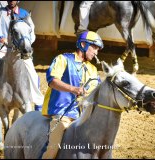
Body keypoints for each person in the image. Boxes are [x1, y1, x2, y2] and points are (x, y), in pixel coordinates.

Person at [41, 31, 103, 159]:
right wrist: (73, 89)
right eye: (94, 47)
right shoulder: (62, 59)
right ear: (83, 44)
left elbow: (98, 91)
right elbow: (52, 81)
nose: (96, 52)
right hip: (62, 112)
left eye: (98, 49)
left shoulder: (93, 69)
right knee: (53, 148)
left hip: (84, 116)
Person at [0, 1, 44, 112]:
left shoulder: (25, 14)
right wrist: (0, 38)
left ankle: (38, 101)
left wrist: (25, 43)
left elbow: (31, 33)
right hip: (1, 47)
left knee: (32, 71)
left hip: (20, 50)